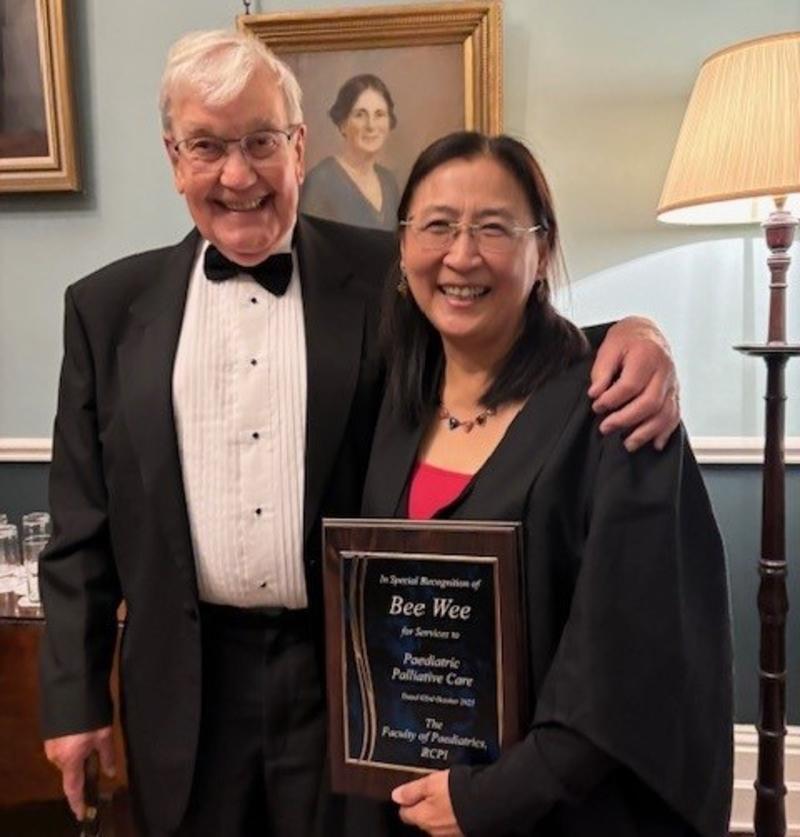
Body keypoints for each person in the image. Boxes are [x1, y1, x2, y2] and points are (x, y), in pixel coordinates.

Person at [39, 30, 681, 837]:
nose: (237, 174)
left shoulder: (389, 272)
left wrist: (638, 333)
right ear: (174, 158)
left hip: (348, 687)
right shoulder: (103, 309)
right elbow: (79, 528)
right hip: (182, 685)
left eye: (262, 142)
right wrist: (74, 698)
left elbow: (499, 324)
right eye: (207, 146)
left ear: (298, 146)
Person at [360, 131, 732, 837]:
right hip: (419, 804)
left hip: (561, 813)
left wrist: (495, 796)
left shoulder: (615, 408)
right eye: (437, 225)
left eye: (493, 228)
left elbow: (627, 653)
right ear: (404, 245)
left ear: (541, 251)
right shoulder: (392, 407)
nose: (461, 255)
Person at [300, 74, 400, 230]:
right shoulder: (320, 182)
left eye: (379, 114)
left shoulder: (389, 182)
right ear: (342, 123)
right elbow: (309, 250)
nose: (371, 126)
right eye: (360, 115)